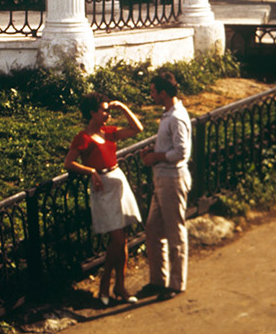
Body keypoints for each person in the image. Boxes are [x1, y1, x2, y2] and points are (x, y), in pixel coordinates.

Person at [63, 93, 143, 305]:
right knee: (117, 239)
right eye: (104, 110)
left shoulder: (109, 133)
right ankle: (106, 285)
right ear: (92, 112)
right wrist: (91, 171)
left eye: (108, 110)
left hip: (118, 181)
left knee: (122, 239)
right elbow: (68, 163)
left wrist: (123, 107)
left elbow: (137, 129)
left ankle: (119, 287)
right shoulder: (83, 138)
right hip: (103, 187)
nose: (107, 114)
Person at [139, 71, 192, 299]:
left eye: (153, 91)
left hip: (172, 178)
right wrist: (154, 153)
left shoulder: (177, 117)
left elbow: (181, 152)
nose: (151, 94)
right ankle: (158, 280)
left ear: (163, 93)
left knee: (174, 231)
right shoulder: (168, 114)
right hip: (162, 178)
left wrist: (156, 157)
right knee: (153, 229)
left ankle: (176, 283)